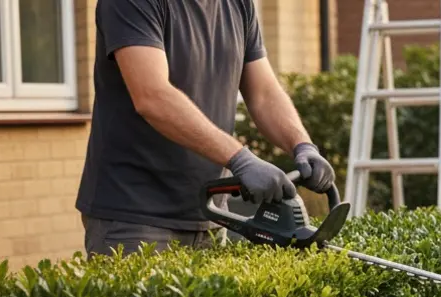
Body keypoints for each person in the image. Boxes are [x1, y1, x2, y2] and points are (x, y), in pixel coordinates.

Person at [76, 0, 336, 257]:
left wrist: (302, 145)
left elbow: (264, 94)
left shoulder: (239, 4)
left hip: (210, 215)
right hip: (134, 217)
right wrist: (241, 159)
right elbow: (152, 96)